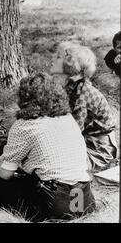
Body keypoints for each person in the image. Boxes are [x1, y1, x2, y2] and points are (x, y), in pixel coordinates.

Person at [0, 73, 95, 221]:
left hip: (54, 203)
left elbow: (5, 175)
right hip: (84, 199)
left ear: (25, 98)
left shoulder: (24, 125)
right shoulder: (68, 119)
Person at [51, 42, 119, 172]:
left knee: (56, 163)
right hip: (86, 140)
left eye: (58, 57)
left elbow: (73, 134)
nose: (53, 58)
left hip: (98, 149)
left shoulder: (82, 93)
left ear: (70, 65)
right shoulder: (71, 86)